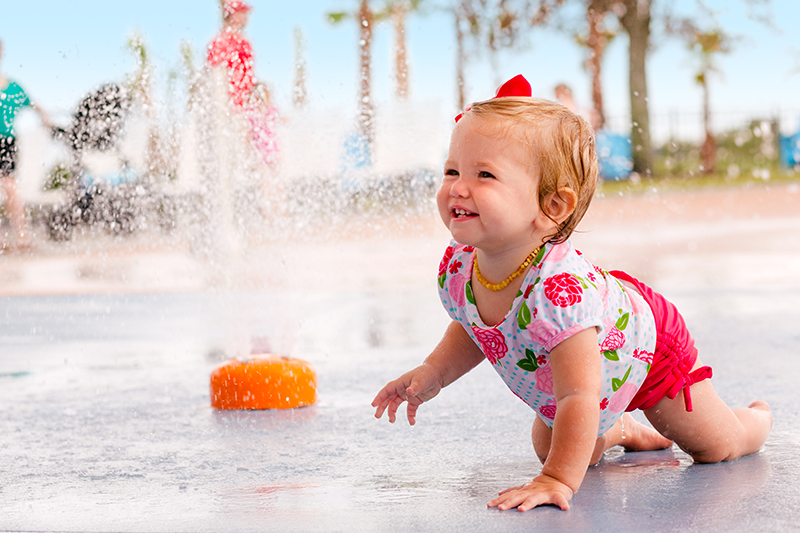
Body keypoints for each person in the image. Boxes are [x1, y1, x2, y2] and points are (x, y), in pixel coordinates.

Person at [371, 75, 772, 512]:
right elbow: (474, 326)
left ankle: (755, 421)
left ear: (552, 208)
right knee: (553, 443)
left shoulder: (560, 295)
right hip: (590, 377)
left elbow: (579, 396)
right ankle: (619, 427)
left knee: (715, 447)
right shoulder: (461, 263)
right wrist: (433, 373)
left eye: (484, 174)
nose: (459, 187)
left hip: (646, 351)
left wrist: (557, 479)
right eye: (452, 170)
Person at [0, 39, 51, 251]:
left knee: (11, 187)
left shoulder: (13, 87)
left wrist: (44, 116)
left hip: (7, 142)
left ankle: (22, 238)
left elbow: (35, 105)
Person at [206, 0, 256, 109]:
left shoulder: (244, 42)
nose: (246, 17)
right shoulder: (221, 42)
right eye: (242, 13)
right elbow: (215, 74)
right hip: (228, 103)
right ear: (233, 15)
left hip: (243, 101)